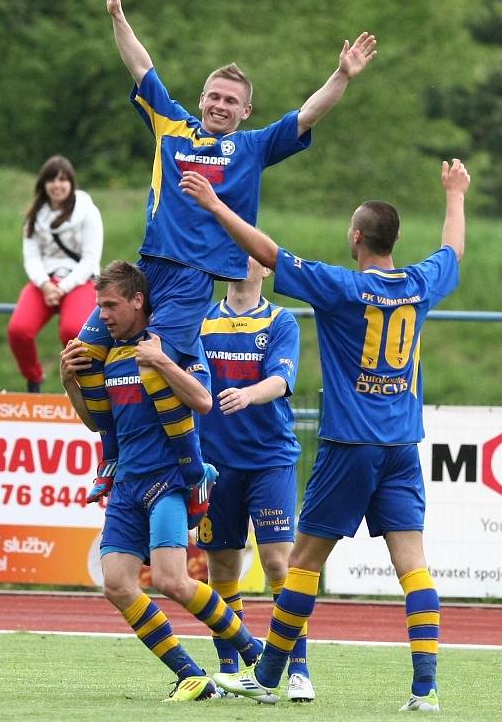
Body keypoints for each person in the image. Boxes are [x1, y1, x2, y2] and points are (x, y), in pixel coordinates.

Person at [76, 0, 378, 507]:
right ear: (202, 98)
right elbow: (141, 65)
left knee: (152, 361)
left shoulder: (254, 148)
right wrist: (118, 15)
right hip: (147, 268)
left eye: (230, 101)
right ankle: (112, 453)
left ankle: (192, 474)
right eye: (213, 96)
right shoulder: (171, 125)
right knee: (84, 355)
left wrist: (343, 77)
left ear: (246, 112)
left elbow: (307, 115)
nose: (219, 105)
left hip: (192, 281)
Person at [178, 158, 470, 711]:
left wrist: (216, 207)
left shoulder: (341, 288)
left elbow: (269, 254)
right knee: (414, 565)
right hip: (402, 447)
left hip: (350, 446)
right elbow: (453, 250)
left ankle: (267, 674)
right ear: (395, 239)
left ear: (356, 237)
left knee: (305, 562)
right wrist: (455, 194)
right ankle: (425, 688)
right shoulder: (418, 283)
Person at [60, 260, 263, 702]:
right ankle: (191, 674)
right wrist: (70, 383)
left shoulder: (175, 343)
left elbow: (203, 401)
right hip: (128, 484)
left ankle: (255, 652)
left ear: (138, 301)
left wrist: (162, 361)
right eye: (100, 307)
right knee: (116, 584)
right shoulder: (108, 354)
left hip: (167, 480)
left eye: (111, 305)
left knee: (173, 580)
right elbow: (98, 423)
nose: (104, 315)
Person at [197, 258, 314, 702]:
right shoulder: (203, 320)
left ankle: (298, 668)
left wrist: (247, 393)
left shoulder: (280, 320)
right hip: (215, 464)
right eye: (233, 251)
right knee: (222, 568)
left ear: (266, 270)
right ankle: (232, 668)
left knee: (279, 564)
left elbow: (282, 381)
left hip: (269, 459)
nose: (240, 260)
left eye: (251, 254)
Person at [8, 155, 102, 393]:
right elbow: (32, 257)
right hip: (45, 281)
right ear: (43, 184)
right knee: (19, 330)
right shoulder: (35, 215)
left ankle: (80, 385)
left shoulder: (87, 211)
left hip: (79, 279)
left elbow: (90, 259)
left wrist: (63, 287)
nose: (57, 185)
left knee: (73, 330)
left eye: (62, 179)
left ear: (71, 183)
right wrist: (45, 285)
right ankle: (34, 378)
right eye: (51, 179)